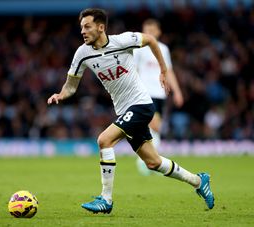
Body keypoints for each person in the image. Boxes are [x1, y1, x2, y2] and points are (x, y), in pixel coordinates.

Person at [47, 8, 214, 213]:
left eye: (87, 26)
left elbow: (151, 40)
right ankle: (199, 181)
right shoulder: (82, 53)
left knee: (104, 140)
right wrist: (60, 95)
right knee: (153, 162)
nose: (83, 31)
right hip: (124, 109)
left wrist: (162, 70)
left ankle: (105, 200)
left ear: (101, 27)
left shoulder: (123, 41)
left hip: (142, 105)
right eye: (81, 27)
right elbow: (71, 86)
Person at [133, 19, 184, 175]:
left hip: (160, 93)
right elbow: (133, 70)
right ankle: (146, 161)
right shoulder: (139, 49)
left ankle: (151, 161)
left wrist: (177, 91)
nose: (148, 32)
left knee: (155, 128)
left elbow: (168, 71)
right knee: (153, 125)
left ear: (158, 32)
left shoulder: (163, 49)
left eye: (151, 29)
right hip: (144, 92)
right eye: (145, 29)